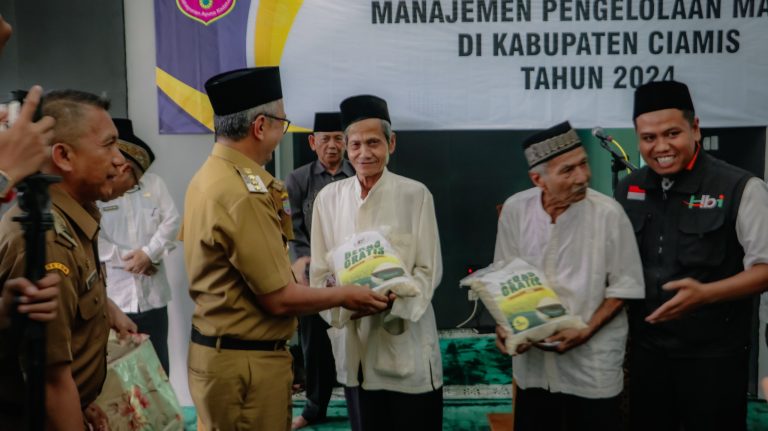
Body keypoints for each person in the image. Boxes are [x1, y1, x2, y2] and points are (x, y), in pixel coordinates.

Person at [182, 67, 389, 431]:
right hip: (246, 366)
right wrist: (347, 295)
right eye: (282, 122)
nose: (282, 133)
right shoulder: (242, 193)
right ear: (260, 126)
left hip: (223, 354)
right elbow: (278, 298)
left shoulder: (209, 176)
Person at [615, 80, 768, 431]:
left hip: (714, 359)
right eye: (649, 138)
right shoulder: (629, 188)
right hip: (648, 357)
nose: (661, 147)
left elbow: (765, 268)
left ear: (695, 128)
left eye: (672, 133)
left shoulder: (741, 188)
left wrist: (706, 294)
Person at [0, 89, 138, 430]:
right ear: (63, 156)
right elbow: (49, 383)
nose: (120, 160)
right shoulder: (47, 240)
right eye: (108, 145)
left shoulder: (73, 222)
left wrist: (79, 403)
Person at [493, 121, 644, 431]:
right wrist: (506, 326)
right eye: (568, 171)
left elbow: (625, 286)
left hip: (592, 366)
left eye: (584, 164)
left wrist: (585, 331)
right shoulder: (515, 211)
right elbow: (505, 278)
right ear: (538, 179)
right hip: (534, 366)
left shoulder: (608, 214)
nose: (583, 177)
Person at [310, 95, 444, 431]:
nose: (364, 153)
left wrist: (390, 301)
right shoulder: (328, 200)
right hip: (356, 345)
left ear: (391, 143)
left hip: (406, 341)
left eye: (374, 142)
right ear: (345, 146)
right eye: (355, 144)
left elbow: (428, 271)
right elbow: (320, 274)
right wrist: (343, 303)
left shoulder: (416, 195)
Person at [286, 111, 355, 429]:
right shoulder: (298, 180)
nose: (332, 145)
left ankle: (360, 406)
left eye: (338, 138)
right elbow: (292, 230)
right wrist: (301, 263)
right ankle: (315, 407)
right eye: (324, 139)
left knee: (356, 338)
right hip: (313, 274)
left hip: (353, 270)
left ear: (345, 142)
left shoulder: (357, 173)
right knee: (314, 344)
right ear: (312, 142)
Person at [98, 118, 180, 374]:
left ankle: (162, 416)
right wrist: (130, 259)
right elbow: (93, 236)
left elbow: (172, 220)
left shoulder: (154, 184)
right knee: (120, 371)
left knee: (158, 367)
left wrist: (149, 254)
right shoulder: (100, 190)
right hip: (116, 299)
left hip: (153, 296)